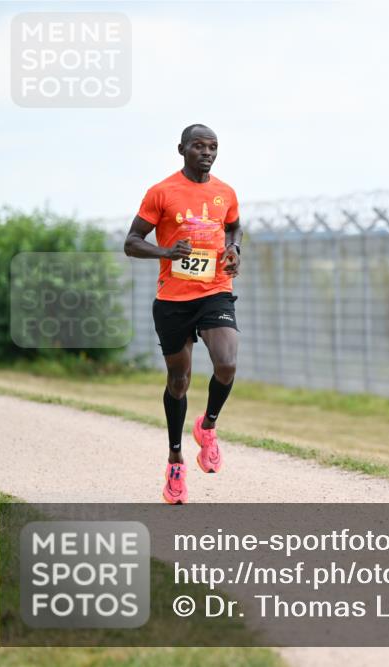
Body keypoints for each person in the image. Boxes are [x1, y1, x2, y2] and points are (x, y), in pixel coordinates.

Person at [124, 124, 243, 504]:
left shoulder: (226, 192)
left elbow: (234, 228)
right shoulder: (162, 192)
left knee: (227, 363)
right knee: (179, 380)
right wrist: (166, 252)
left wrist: (234, 250)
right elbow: (131, 243)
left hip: (215, 291)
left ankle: (208, 426)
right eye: (198, 146)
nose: (207, 153)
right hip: (173, 300)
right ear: (182, 149)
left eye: (213, 147)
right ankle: (175, 460)